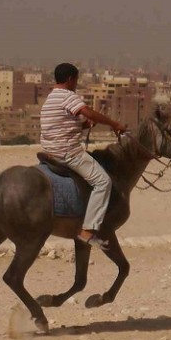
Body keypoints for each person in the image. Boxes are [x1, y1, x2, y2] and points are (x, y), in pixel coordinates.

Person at [40, 62, 127, 242]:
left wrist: (85, 125)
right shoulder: (67, 96)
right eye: (76, 80)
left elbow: (63, 124)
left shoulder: (51, 98)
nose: (76, 84)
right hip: (67, 153)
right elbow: (89, 112)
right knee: (103, 182)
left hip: (50, 151)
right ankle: (89, 230)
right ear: (71, 79)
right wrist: (114, 124)